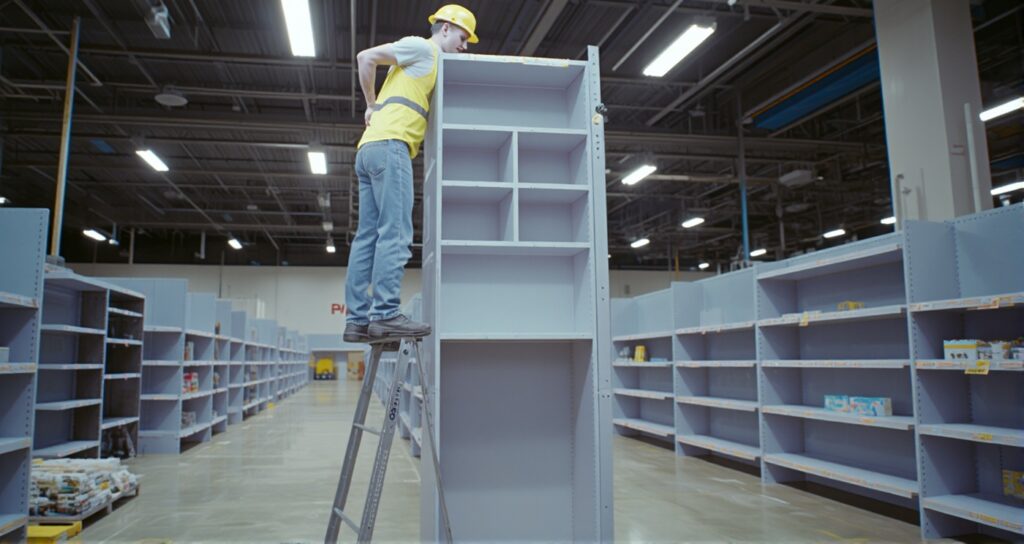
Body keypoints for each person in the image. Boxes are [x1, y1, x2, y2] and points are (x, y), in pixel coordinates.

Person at [343, 5, 479, 343]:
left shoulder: (427, 65)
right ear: (445, 28)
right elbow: (365, 57)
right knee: (396, 233)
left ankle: (358, 321)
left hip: (370, 150)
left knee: (367, 238)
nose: (464, 46)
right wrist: (371, 104)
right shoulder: (423, 47)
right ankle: (386, 313)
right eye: (463, 38)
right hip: (391, 146)